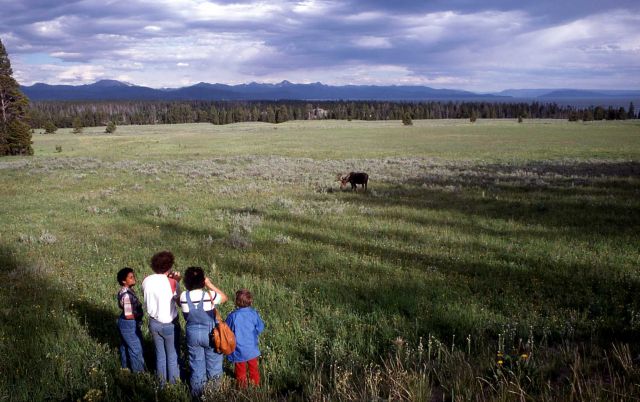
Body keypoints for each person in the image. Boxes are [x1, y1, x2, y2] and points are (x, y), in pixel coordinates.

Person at [179, 267, 228, 397]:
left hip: (192, 334)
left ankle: (197, 394)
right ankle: (213, 395)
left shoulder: (184, 296)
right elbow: (224, 298)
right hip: (210, 334)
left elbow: (177, 301)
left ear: (186, 281)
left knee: (196, 366)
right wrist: (210, 284)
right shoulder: (209, 295)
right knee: (214, 365)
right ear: (202, 280)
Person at [142, 251, 182, 385]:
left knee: (160, 355)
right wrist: (176, 282)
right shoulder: (172, 283)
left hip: (154, 322)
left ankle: (161, 383)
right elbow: (179, 303)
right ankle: (174, 384)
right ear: (169, 266)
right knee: (172, 355)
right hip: (169, 323)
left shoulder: (146, 280)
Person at [225, 289, 265, 388]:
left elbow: (226, 330)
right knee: (253, 369)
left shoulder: (232, 316)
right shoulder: (253, 313)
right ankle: (256, 387)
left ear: (237, 302)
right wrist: (253, 334)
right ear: (250, 301)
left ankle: (242, 389)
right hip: (252, 348)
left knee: (240, 371)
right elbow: (260, 327)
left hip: (238, 349)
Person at [116, 267, 145, 373]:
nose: (133, 278)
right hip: (129, 323)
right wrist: (138, 316)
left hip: (124, 322)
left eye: (133, 276)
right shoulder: (127, 295)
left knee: (125, 345)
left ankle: (126, 368)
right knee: (136, 348)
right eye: (130, 277)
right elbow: (129, 315)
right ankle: (139, 374)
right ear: (124, 281)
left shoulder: (126, 291)